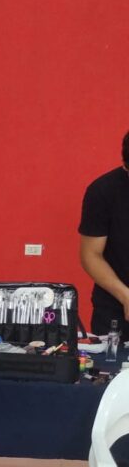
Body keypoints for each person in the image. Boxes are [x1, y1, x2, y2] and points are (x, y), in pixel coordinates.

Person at [79, 132, 129, 337]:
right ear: (126, 166)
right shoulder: (103, 191)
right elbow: (91, 255)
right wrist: (125, 296)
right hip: (116, 308)